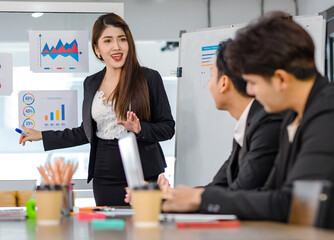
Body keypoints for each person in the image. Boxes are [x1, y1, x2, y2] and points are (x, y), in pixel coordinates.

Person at [162, 11, 334, 227]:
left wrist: (201, 198)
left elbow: (292, 204)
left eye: (253, 82)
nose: (250, 91)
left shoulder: (327, 112)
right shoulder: (294, 116)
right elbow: (270, 193)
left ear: (281, 79)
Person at [19, 13, 175, 206]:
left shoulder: (149, 78)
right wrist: (41, 135)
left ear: (129, 44)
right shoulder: (91, 83)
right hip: (105, 174)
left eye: (122, 39)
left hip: (144, 173)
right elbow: (85, 132)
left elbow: (168, 128)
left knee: (145, 229)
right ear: (97, 49)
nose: (116, 47)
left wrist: (140, 128)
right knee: (107, 231)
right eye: (107, 41)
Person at [125, 39, 284, 203]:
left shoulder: (266, 124)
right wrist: (164, 196)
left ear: (223, 83)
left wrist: (173, 198)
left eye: (210, 76)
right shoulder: (248, 124)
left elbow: (239, 193)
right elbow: (219, 186)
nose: (208, 85)